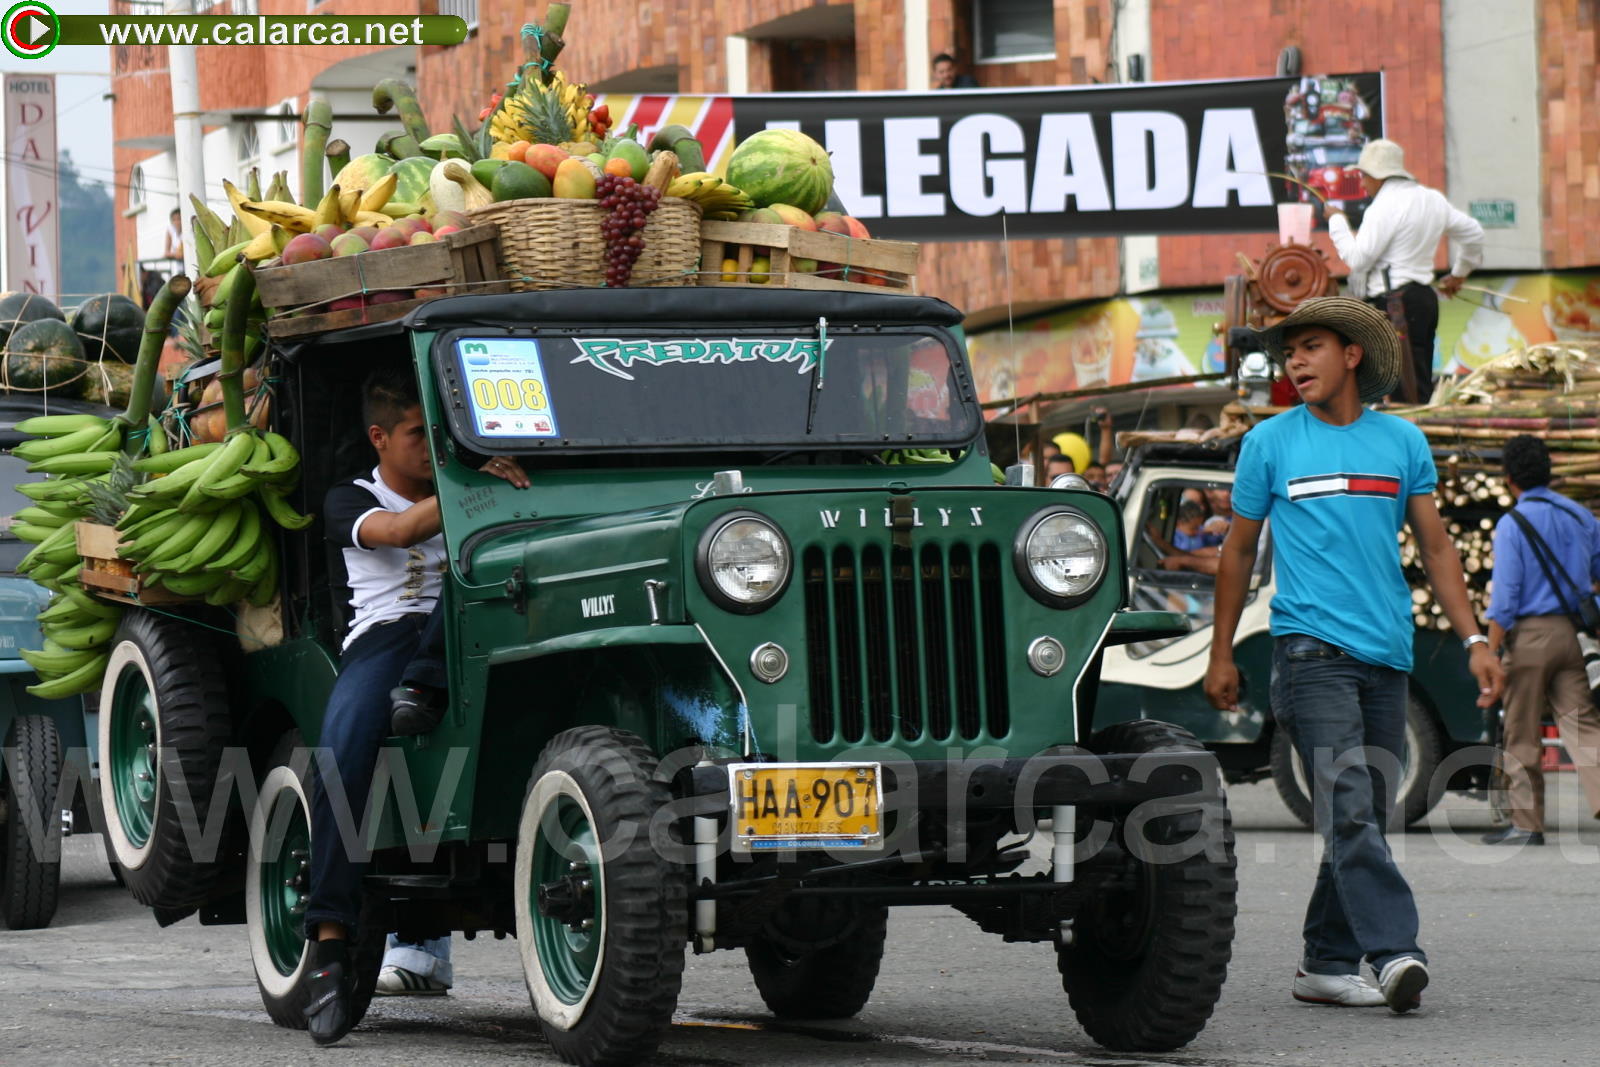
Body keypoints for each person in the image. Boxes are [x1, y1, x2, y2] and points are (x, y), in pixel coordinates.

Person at [1203, 297, 1502, 1014]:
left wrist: (1474, 639)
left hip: (1387, 655)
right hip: (1309, 653)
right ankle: (1396, 947)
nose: (1295, 363)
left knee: (1362, 807)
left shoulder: (1403, 445)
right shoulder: (1270, 443)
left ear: (1352, 355)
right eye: (1289, 353)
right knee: (1350, 802)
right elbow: (1238, 549)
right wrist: (1220, 654)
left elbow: (1436, 547)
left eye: (1309, 348)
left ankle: (1325, 962)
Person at [301, 368, 530, 1044]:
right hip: (382, 643)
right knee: (338, 755)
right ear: (379, 437)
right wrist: (471, 485)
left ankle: (425, 685)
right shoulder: (349, 497)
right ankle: (330, 942)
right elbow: (399, 533)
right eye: (414, 436)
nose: (430, 449)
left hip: (465, 633)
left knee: (475, 584)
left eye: (437, 435)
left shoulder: (463, 482)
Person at [1482, 434, 1600, 846]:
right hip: (1573, 636)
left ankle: (1527, 825)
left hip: (1529, 639)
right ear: (1548, 472)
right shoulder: (1583, 517)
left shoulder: (1511, 524)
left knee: (1521, 731)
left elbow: (1505, 600)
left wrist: (1490, 651)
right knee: (1583, 726)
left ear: (1509, 478)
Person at [1323, 139, 1485, 403]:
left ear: (1376, 175)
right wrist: (1458, 274)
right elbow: (1473, 234)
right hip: (1423, 300)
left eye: (1363, 176)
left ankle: (1407, 437)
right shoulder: (1432, 199)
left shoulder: (1384, 206)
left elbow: (1358, 259)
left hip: (1394, 305)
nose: (1362, 183)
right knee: (1417, 381)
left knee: (1400, 389)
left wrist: (1337, 221)